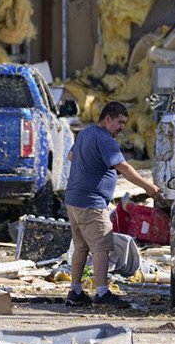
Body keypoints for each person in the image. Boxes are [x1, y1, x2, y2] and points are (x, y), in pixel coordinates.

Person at [63, 101, 163, 307]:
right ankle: (101, 293)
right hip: (91, 202)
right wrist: (149, 188)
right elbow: (124, 167)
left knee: (81, 247)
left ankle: (75, 291)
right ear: (107, 119)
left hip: (73, 200)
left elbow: (71, 155)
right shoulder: (105, 139)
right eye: (119, 122)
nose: (122, 128)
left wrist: (92, 164)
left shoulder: (85, 132)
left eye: (124, 124)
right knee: (101, 247)